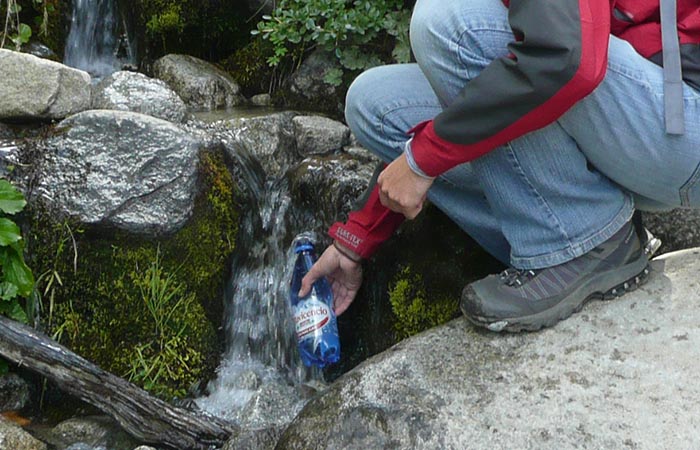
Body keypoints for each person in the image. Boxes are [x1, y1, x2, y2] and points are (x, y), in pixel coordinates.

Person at [299, 0, 700, 332]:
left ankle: (584, 244)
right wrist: (359, 236)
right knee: (375, 103)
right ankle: (560, 225)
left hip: (682, 125)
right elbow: (475, 89)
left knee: (449, 24)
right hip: (632, 117)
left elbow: (564, 57)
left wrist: (423, 161)